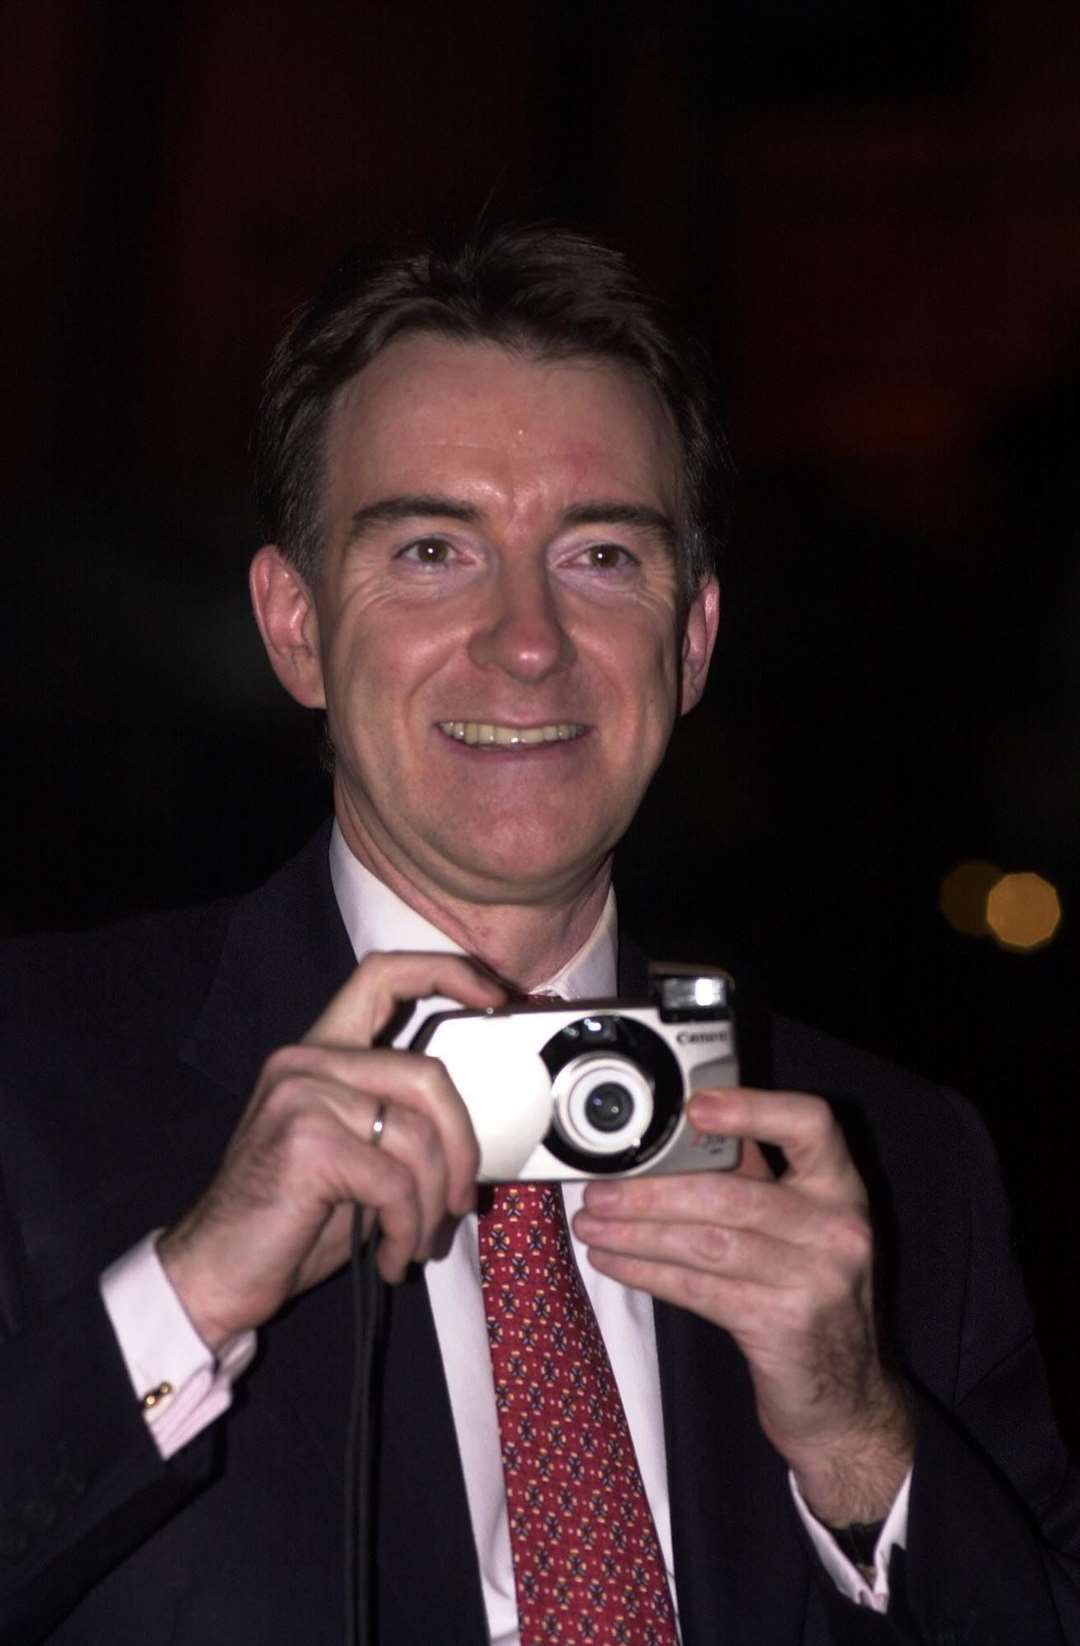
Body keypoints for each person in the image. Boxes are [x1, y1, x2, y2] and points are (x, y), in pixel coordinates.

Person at [1, 224, 1077, 1646]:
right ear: (295, 623)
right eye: (434, 548)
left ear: (691, 641)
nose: (526, 640)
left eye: (601, 555)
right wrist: (185, 1300)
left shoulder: (901, 1168)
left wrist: (865, 1443)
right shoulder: (30, 1079)